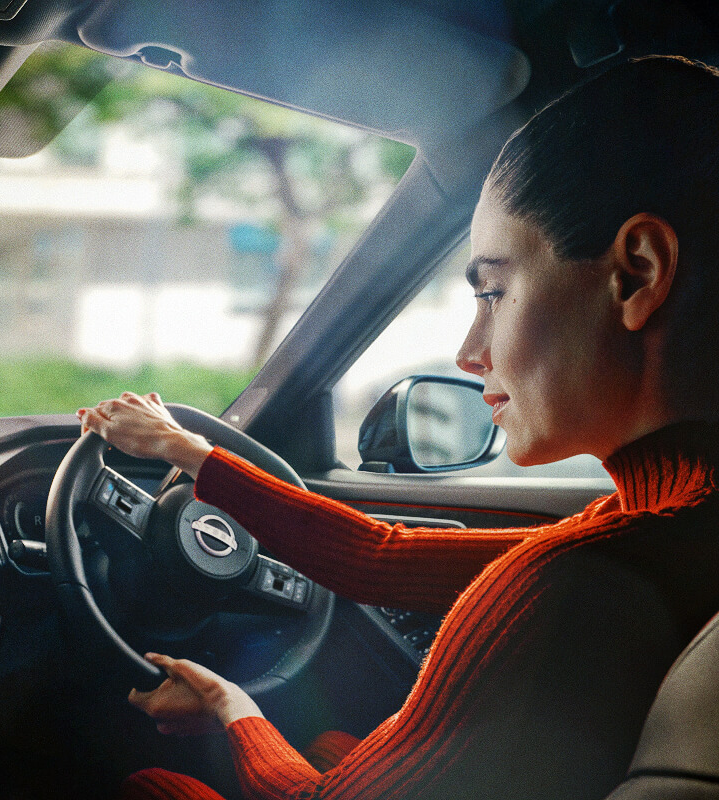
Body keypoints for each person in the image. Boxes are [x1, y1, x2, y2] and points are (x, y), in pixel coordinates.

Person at [77, 55, 719, 800]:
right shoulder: (668, 530)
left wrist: (231, 710)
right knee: (330, 743)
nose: (469, 352)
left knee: (151, 783)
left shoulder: (573, 582)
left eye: (493, 291)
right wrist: (187, 450)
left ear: (637, 273)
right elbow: (383, 557)